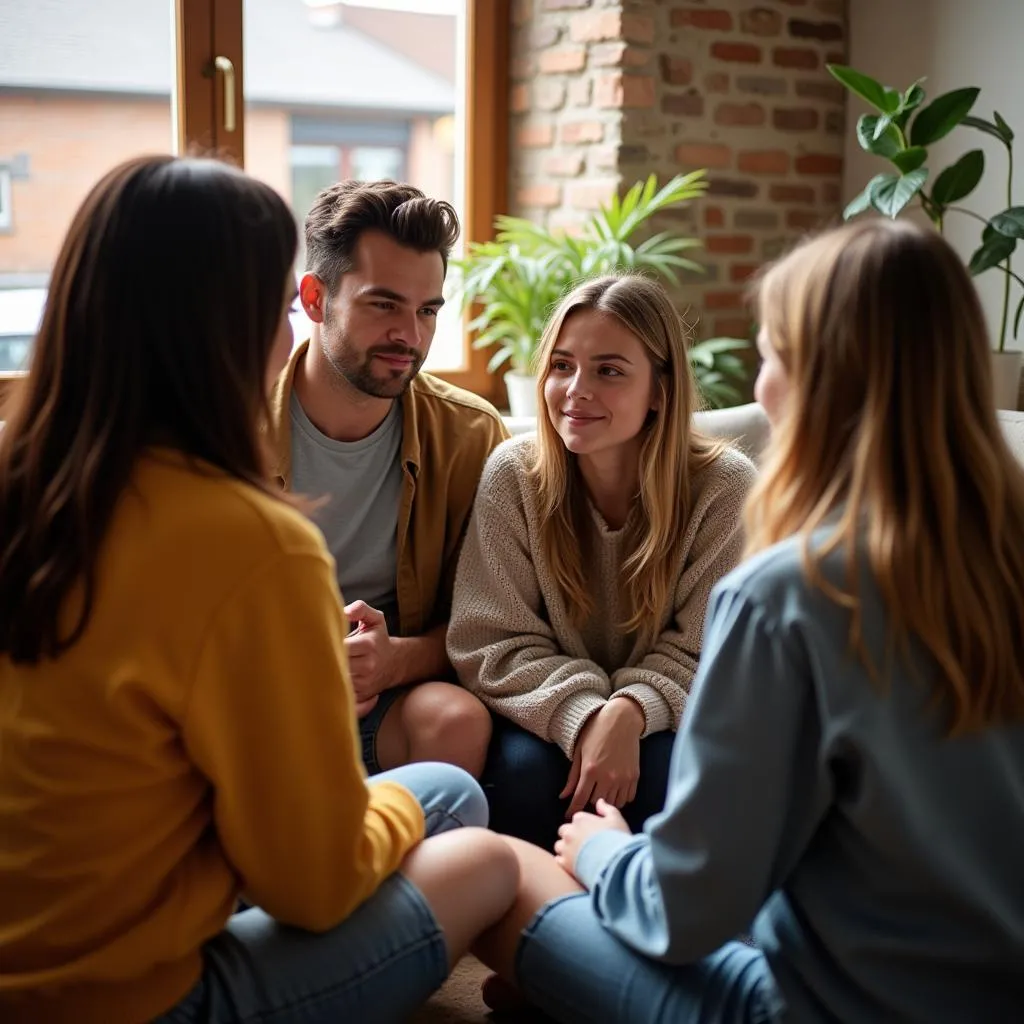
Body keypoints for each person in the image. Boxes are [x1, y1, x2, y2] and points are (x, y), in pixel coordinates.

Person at [0, 155, 519, 1024]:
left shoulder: (27, 483)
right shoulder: (252, 537)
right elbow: (312, 886)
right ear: (250, 325)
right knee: (485, 852)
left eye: (428, 309)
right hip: (133, 996)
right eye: (272, 306)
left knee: (444, 783)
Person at [471, 219, 1024, 1023]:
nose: (759, 389)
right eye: (561, 365)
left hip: (815, 1003)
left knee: (499, 869)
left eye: (769, 357)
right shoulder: (1003, 558)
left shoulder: (786, 595)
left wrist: (605, 855)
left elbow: (687, 909)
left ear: (818, 380)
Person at [447, 273, 756, 848]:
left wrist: (631, 711)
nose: (575, 390)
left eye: (608, 371)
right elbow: (489, 638)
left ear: (660, 391)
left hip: (669, 716)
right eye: (562, 366)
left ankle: (649, 920)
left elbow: (716, 648)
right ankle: (545, 924)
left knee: (673, 777)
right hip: (548, 713)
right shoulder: (514, 473)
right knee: (524, 780)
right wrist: (589, 715)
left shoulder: (724, 488)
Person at [268, 179, 507, 780]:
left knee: (457, 718)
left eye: (427, 310)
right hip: (256, 696)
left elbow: (495, 620)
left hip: (382, 702)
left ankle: (416, 874)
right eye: (384, 304)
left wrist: (393, 661)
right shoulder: (227, 425)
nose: (411, 336)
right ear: (316, 299)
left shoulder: (471, 436)